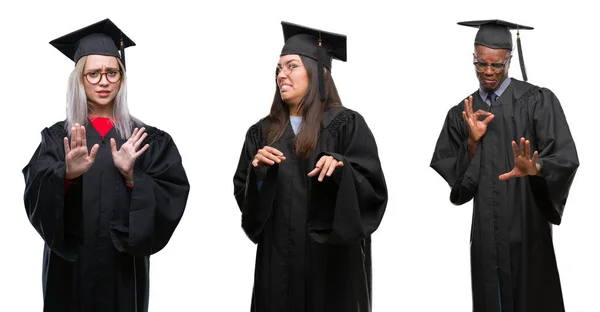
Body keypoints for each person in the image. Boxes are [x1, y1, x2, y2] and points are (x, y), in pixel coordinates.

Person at [22, 18, 190, 312]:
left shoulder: (146, 139)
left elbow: (171, 194)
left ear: (122, 79)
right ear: (79, 79)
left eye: (112, 73)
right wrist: (67, 175)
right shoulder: (57, 138)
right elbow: (35, 192)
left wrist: (132, 176)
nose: (103, 81)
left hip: (122, 271)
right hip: (69, 270)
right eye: (94, 74)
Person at [233, 21, 388, 312]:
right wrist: (259, 177)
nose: (282, 75)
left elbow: (374, 192)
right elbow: (246, 205)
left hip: (331, 268)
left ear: (318, 72)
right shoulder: (262, 134)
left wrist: (342, 170)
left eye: (291, 66)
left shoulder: (346, 125)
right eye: (279, 68)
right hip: (277, 266)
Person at [430, 19, 579, 312]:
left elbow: (565, 157)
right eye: (480, 63)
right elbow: (459, 187)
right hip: (486, 233)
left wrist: (536, 169)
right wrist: (472, 144)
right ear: (474, 57)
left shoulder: (537, 101)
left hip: (528, 229)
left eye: (496, 65)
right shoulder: (462, 112)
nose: (487, 72)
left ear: (509, 59)